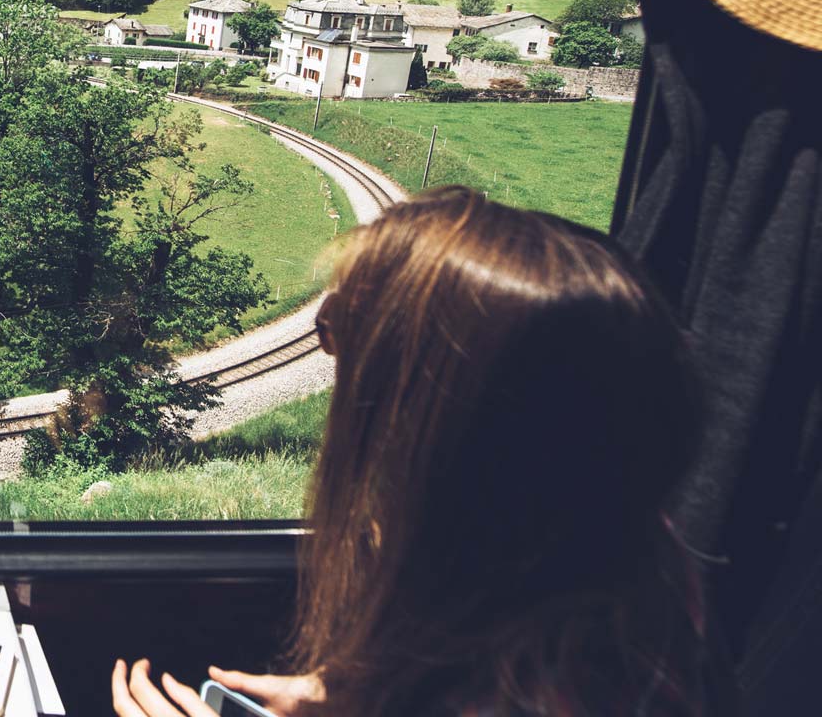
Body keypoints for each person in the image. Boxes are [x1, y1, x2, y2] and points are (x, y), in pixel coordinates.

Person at [115, 187, 722, 717]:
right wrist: (363, 699)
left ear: (443, 435)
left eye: (347, 330)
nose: (324, 333)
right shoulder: (629, 548)